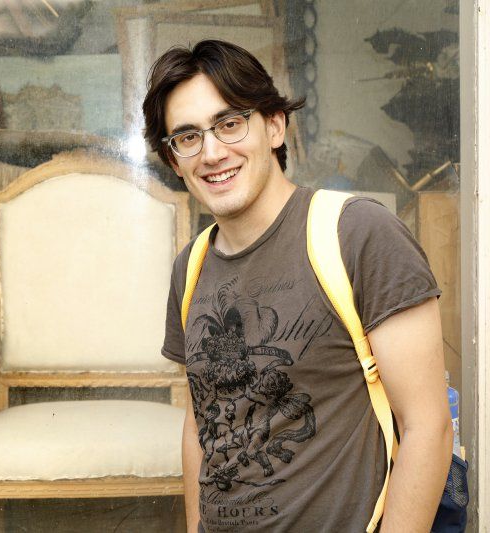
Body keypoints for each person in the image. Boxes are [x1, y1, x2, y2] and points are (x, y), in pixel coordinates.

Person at [142, 39, 453, 533]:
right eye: (187, 137)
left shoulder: (358, 234)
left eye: (229, 123)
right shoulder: (191, 265)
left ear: (274, 125)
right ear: (174, 160)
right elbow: (201, 422)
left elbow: (428, 428)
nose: (212, 153)